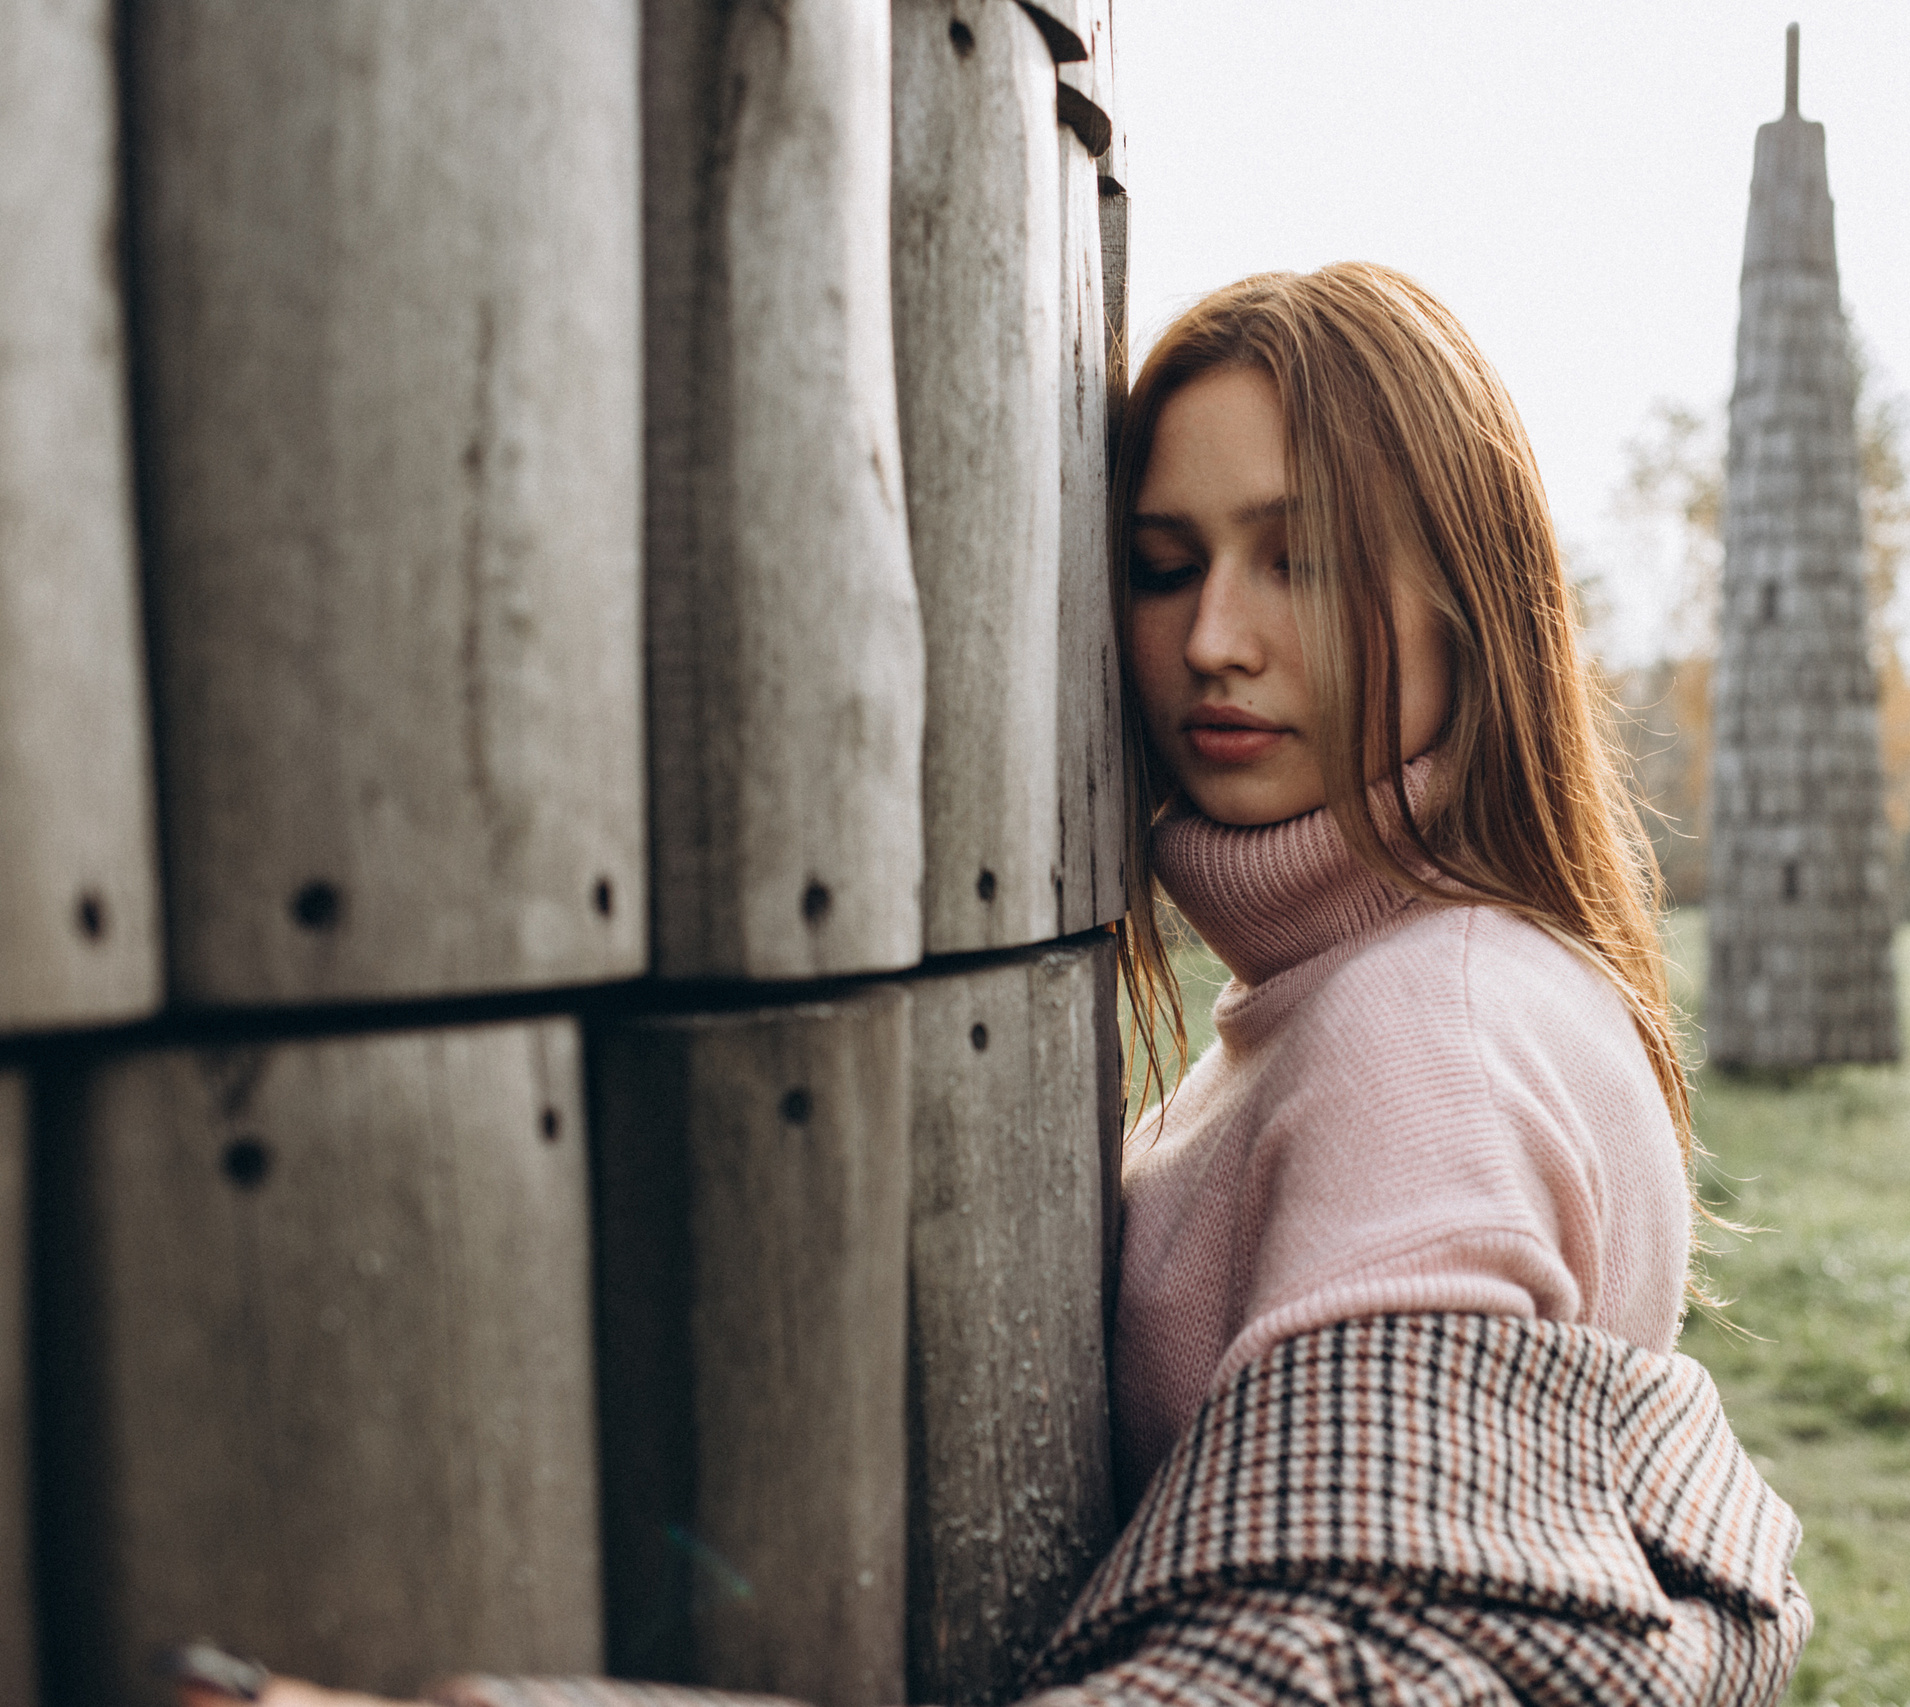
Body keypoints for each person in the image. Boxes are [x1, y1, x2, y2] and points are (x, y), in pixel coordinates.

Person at [175, 263, 1808, 1707]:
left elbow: (1325, 1676)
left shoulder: (1427, 1029)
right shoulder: (1405, 987)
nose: (1214, 639)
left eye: (1298, 560)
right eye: (1164, 565)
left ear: (1473, 597)